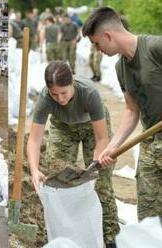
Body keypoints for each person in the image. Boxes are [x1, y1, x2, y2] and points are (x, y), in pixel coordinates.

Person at [27, 61, 119, 248]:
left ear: (72, 85)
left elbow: (101, 138)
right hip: (63, 127)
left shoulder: (89, 93)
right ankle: (64, 235)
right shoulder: (45, 99)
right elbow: (34, 140)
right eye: (55, 94)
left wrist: (95, 163)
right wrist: (34, 170)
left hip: (91, 126)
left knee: (102, 183)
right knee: (57, 179)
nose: (60, 99)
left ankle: (110, 239)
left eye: (64, 93)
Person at [82, 7, 162, 223]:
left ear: (108, 35)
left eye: (97, 43)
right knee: (148, 215)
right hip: (150, 142)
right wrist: (112, 147)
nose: (97, 50)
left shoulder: (155, 47)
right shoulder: (121, 68)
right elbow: (131, 110)